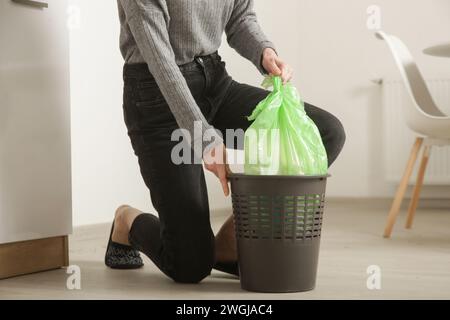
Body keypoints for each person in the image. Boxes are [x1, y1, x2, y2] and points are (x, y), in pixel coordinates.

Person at [105, 0, 346, 283]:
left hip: (213, 81)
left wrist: (263, 51)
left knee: (325, 132)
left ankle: (231, 242)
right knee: (189, 266)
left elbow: (240, 16)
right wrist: (205, 139)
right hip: (156, 98)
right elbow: (160, 61)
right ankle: (125, 221)